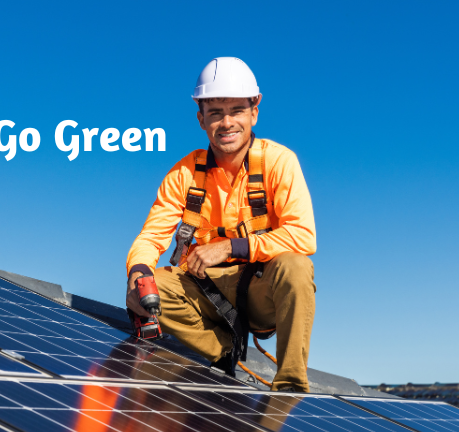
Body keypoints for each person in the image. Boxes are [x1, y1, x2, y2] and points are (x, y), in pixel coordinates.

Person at [125, 57, 317, 392]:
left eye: (236, 110)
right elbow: (151, 236)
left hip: (259, 290)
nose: (226, 122)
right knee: (145, 289)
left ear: (254, 111)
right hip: (203, 292)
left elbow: (302, 235)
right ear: (201, 119)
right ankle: (223, 350)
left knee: (297, 267)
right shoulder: (184, 173)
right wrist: (138, 271)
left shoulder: (278, 162)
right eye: (215, 113)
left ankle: (289, 386)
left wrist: (230, 247)